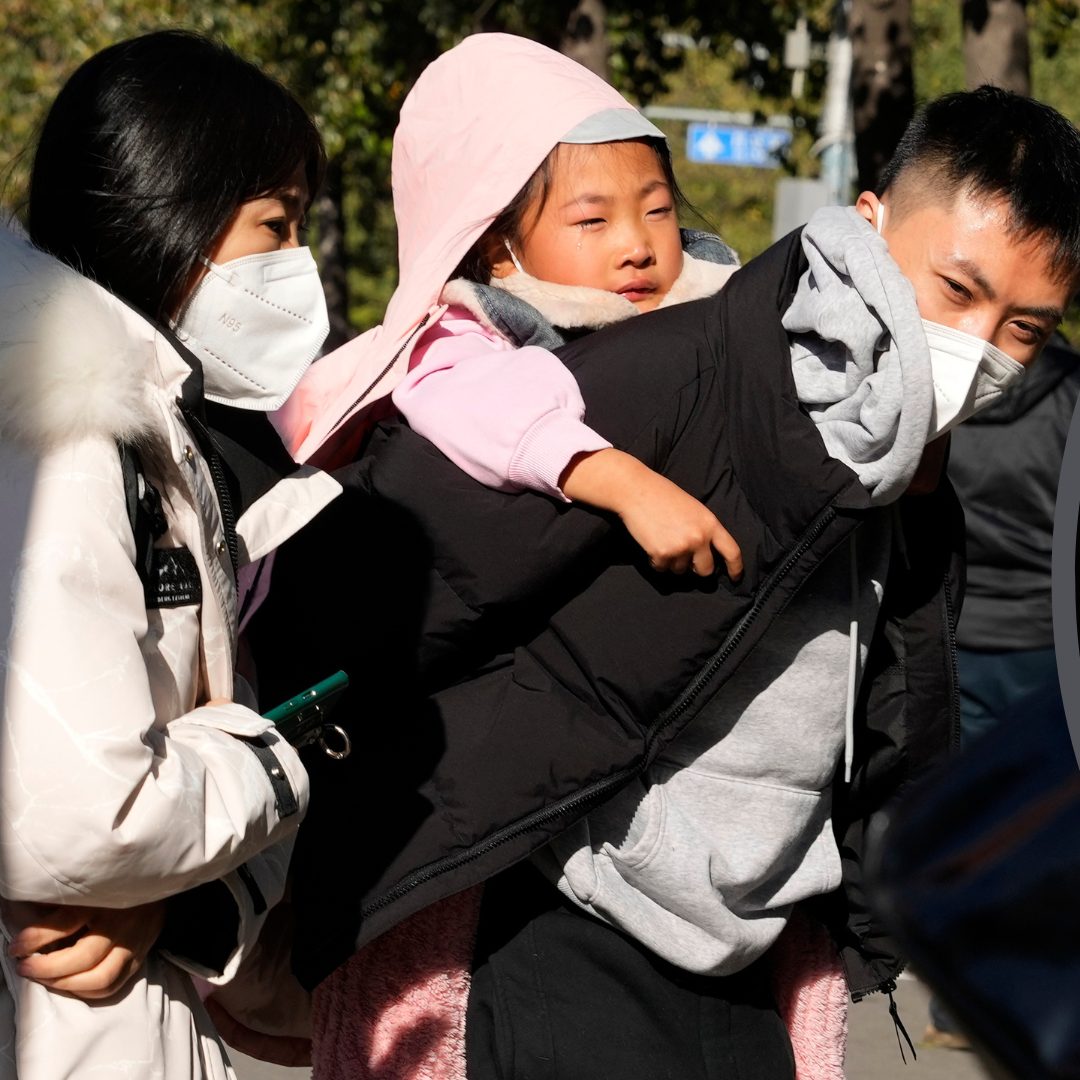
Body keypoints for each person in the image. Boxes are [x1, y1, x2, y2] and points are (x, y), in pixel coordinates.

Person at [259, 73, 1080, 1080]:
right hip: (564, 925)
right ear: (870, 224)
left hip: (753, 955)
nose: (975, 347)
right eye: (954, 292)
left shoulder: (910, 483)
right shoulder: (676, 366)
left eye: (1025, 329)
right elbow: (380, 587)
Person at [0, 30, 339, 1079]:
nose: (298, 263)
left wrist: (171, 900)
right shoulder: (70, 424)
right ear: (171, 208)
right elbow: (89, 816)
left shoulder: (141, 418)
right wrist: (273, 752)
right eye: (276, 224)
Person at [277, 33, 743, 581]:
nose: (637, 246)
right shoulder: (472, 335)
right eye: (593, 220)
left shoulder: (723, 302)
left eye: (658, 210)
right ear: (500, 252)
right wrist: (628, 486)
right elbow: (476, 405)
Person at [922, 330, 1080, 1049]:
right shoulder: (1071, 394)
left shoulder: (945, 385)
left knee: (977, 822)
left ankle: (961, 1005)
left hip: (958, 629)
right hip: (1050, 642)